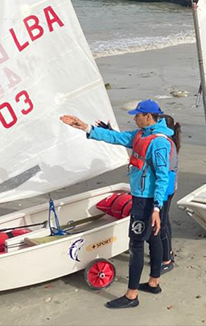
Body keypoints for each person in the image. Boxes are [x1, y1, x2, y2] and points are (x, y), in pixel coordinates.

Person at [59, 99, 173, 309]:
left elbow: (163, 177)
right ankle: (153, 283)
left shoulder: (159, 142)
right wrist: (85, 127)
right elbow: (115, 137)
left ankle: (131, 296)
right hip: (142, 197)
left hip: (146, 200)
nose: (134, 118)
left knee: (136, 244)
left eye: (137, 115)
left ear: (148, 116)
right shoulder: (141, 134)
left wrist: (157, 207)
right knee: (153, 238)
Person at [158, 115, 181, 275]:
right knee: (164, 220)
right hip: (170, 186)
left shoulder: (167, 144)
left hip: (165, 188)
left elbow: (163, 170)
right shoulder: (171, 141)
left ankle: (167, 259)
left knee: (161, 223)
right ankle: (169, 252)